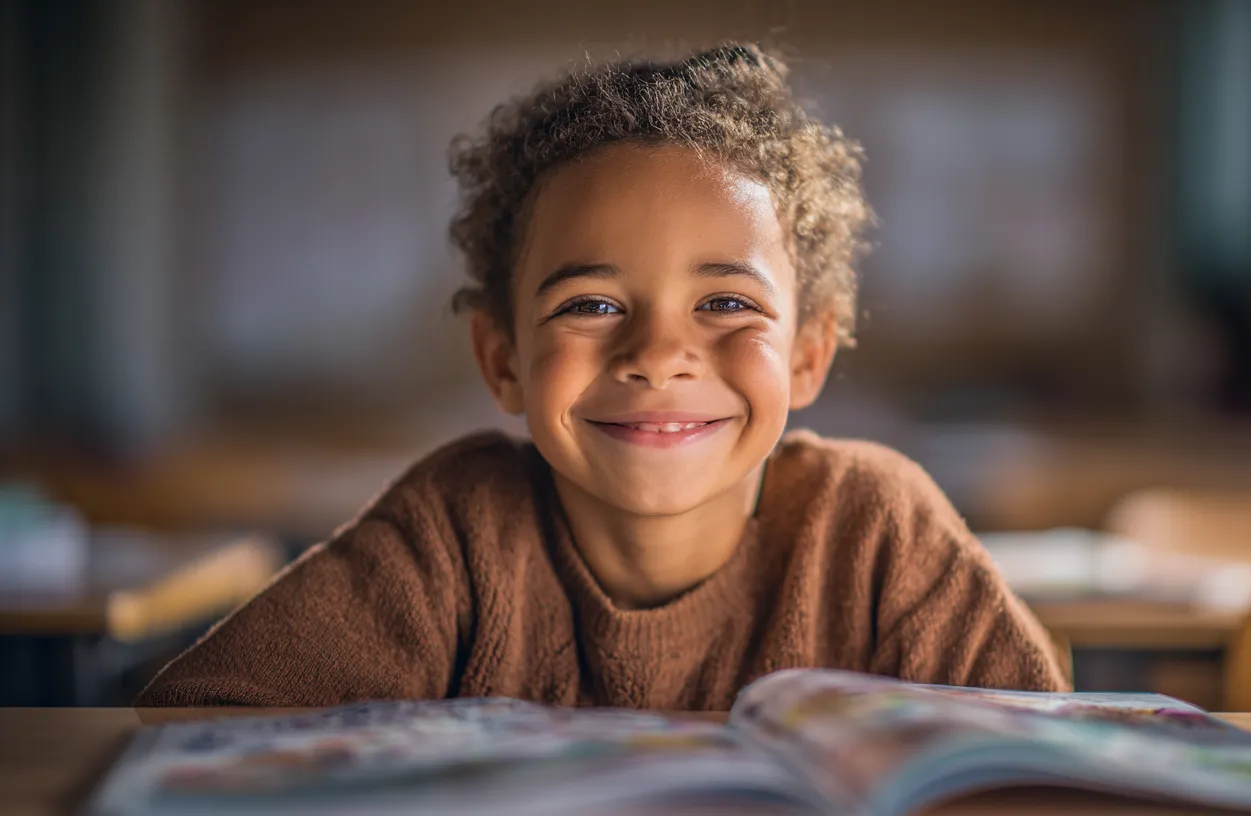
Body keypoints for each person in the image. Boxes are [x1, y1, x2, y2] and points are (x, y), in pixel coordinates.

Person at [136, 43, 1068, 709]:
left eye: (727, 305)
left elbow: (1038, 764)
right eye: (591, 305)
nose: (659, 354)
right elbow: (204, 723)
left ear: (810, 353)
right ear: (503, 360)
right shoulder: (456, 531)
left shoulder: (876, 534)